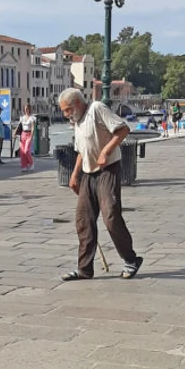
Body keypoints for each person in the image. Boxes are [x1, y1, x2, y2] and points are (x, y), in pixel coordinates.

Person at [58, 88, 142, 282]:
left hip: (108, 169)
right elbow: (81, 151)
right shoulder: (77, 122)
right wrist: (74, 175)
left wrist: (105, 151)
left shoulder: (96, 108)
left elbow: (123, 129)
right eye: (63, 111)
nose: (65, 114)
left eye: (67, 109)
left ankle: (131, 259)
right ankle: (84, 269)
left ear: (78, 103)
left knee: (110, 215)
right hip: (88, 173)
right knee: (83, 220)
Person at [14, 104, 36, 172]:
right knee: (22, 152)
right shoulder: (22, 118)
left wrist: (31, 136)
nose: (26, 110)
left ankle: (31, 163)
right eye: (25, 109)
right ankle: (24, 166)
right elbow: (19, 126)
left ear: (30, 109)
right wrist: (15, 133)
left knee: (26, 150)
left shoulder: (32, 118)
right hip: (22, 134)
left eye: (28, 109)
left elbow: (32, 127)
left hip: (29, 134)